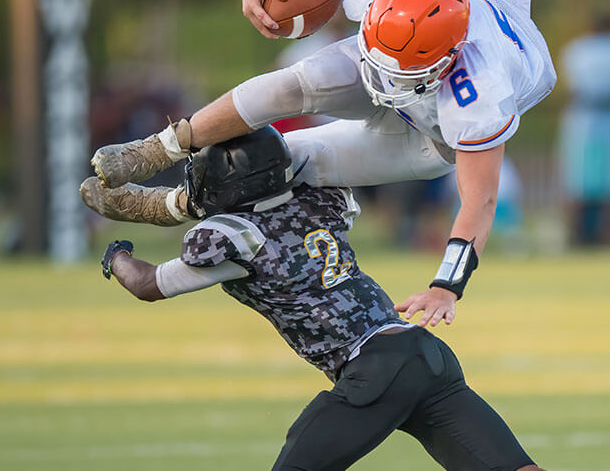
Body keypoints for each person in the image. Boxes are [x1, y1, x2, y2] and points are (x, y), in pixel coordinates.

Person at [81, 0, 556, 325]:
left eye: (401, 70)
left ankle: (168, 206)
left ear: (448, 62)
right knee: (286, 86)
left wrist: (445, 286)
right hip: (404, 59)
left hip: (427, 136)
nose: (385, 76)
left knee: (280, 161)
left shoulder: (477, 93)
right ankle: (154, 150)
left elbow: (479, 201)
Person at [99, 126, 544, 471]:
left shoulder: (236, 238)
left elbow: (148, 284)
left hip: (373, 368)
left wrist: (116, 254)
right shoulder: (317, 202)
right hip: (425, 354)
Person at [556, 11, 610, 247]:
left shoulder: (576, 50)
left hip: (582, 120)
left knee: (577, 182)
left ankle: (576, 236)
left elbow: (570, 90)